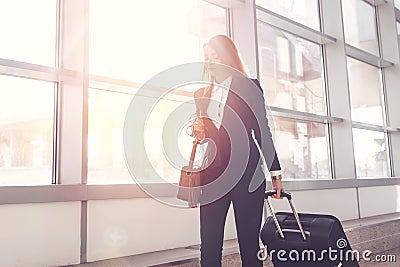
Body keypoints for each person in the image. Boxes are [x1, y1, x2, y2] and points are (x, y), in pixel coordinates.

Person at [192, 34, 284, 267]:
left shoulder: (249, 86)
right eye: (207, 58)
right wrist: (200, 132)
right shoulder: (201, 94)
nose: (211, 62)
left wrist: (275, 173)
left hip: (247, 176)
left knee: (249, 245)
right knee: (210, 245)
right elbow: (209, 136)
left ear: (228, 57)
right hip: (213, 176)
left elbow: (263, 131)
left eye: (216, 56)